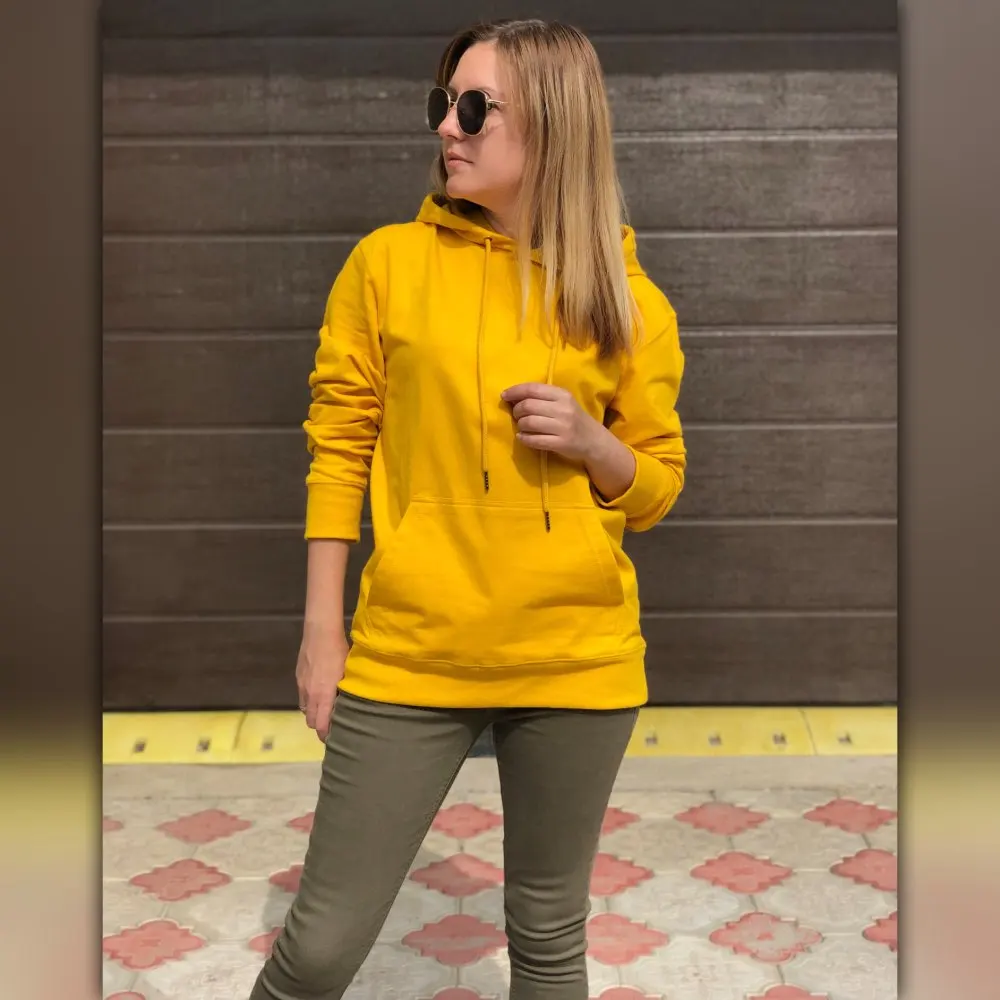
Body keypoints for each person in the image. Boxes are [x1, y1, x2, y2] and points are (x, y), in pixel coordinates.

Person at [249, 18, 686, 1000]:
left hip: (576, 659)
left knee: (547, 942)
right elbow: (338, 447)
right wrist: (322, 631)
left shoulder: (626, 301)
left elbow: (657, 486)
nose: (447, 125)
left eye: (475, 107)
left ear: (554, 123)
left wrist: (596, 445)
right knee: (317, 950)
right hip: (410, 650)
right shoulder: (386, 265)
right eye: (443, 103)